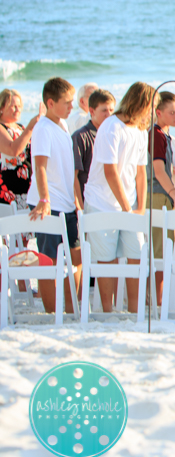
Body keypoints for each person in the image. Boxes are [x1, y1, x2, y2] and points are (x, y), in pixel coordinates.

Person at [83, 82, 154, 313]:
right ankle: (108, 311)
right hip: (101, 203)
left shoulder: (140, 132)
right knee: (107, 260)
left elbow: (141, 172)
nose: (153, 112)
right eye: (151, 106)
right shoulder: (110, 126)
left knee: (136, 255)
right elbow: (110, 170)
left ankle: (134, 311)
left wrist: (139, 208)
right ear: (141, 104)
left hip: (129, 204)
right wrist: (126, 207)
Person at [28, 78, 82, 314]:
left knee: (75, 259)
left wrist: (75, 200)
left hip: (67, 204)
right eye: (66, 103)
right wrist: (44, 200)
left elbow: (67, 168)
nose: (72, 107)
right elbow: (39, 166)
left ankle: (71, 310)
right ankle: (51, 314)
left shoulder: (62, 125)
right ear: (50, 103)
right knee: (48, 262)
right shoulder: (42, 128)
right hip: (48, 204)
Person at [146, 93, 175, 302]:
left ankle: (158, 297)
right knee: (161, 249)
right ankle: (157, 298)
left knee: (165, 246)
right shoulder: (157, 135)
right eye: (172, 112)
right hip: (157, 195)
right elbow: (158, 170)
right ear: (158, 112)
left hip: (161, 194)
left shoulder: (165, 135)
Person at [0, 89, 41, 209]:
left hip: (25, 185)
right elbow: (13, 150)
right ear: (1, 108)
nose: (18, 109)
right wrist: (30, 127)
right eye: (13, 106)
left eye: (19, 106)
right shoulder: (1, 127)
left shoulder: (21, 128)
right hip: (8, 187)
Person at [73, 89, 115, 205]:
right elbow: (73, 176)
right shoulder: (80, 137)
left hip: (110, 202)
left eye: (111, 110)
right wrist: (80, 207)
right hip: (89, 203)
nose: (109, 115)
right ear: (92, 111)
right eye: (104, 110)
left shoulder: (113, 136)